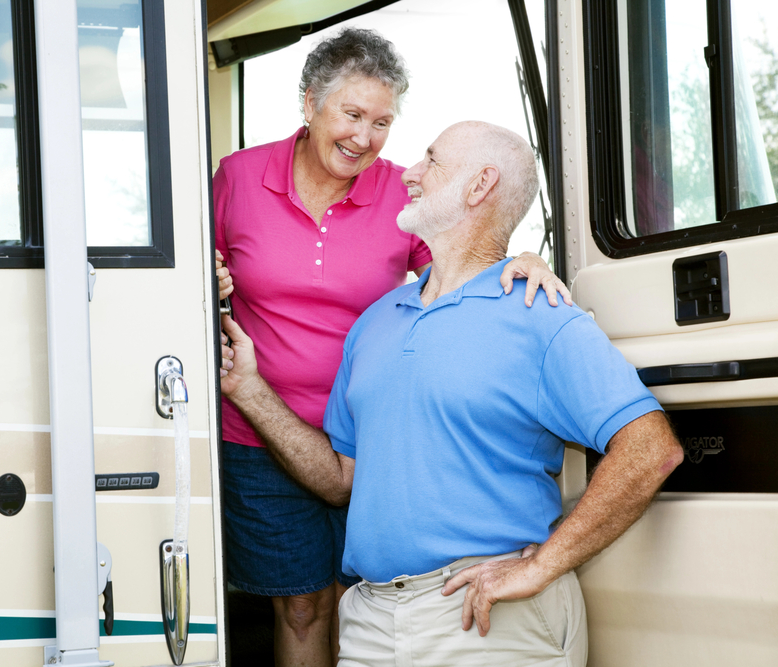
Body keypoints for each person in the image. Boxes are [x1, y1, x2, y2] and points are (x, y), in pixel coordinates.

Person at [218, 120, 684, 666]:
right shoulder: (375, 322)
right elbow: (341, 481)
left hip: (484, 618)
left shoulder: (539, 313)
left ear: (479, 185)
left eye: (431, 161)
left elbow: (651, 449)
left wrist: (540, 566)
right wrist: (249, 391)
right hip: (369, 624)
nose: (408, 173)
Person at [213, 29, 569, 666]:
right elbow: (191, 268)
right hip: (261, 432)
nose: (364, 137)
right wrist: (204, 279)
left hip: (375, 437)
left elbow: (466, 259)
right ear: (309, 104)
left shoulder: (400, 193)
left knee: (369, 602)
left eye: (382, 122)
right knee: (300, 605)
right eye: (351, 115)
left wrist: (527, 259)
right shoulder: (239, 177)